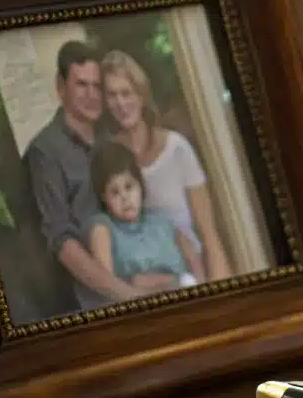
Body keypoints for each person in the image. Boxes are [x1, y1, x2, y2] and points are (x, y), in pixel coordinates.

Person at [23, 40, 144, 310]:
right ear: (60, 86)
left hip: (142, 275)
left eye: (97, 86)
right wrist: (123, 293)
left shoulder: (111, 138)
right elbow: (61, 241)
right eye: (81, 85)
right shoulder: (45, 152)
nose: (91, 94)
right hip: (98, 299)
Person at [98, 49, 235, 281]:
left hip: (194, 271)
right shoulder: (109, 158)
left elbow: (209, 236)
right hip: (147, 281)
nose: (120, 103)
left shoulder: (177, 148)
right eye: (112, 95)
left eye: (126, 93)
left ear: (141, 96)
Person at [84, 141, 203, 291]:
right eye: (115, 192)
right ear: (104, 197)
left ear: (140, 185)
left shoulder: (162, 222)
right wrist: (173, 281)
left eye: (129, 187)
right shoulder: (102, 227)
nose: (125, 198)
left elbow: (192, 257)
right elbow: (110, 286)